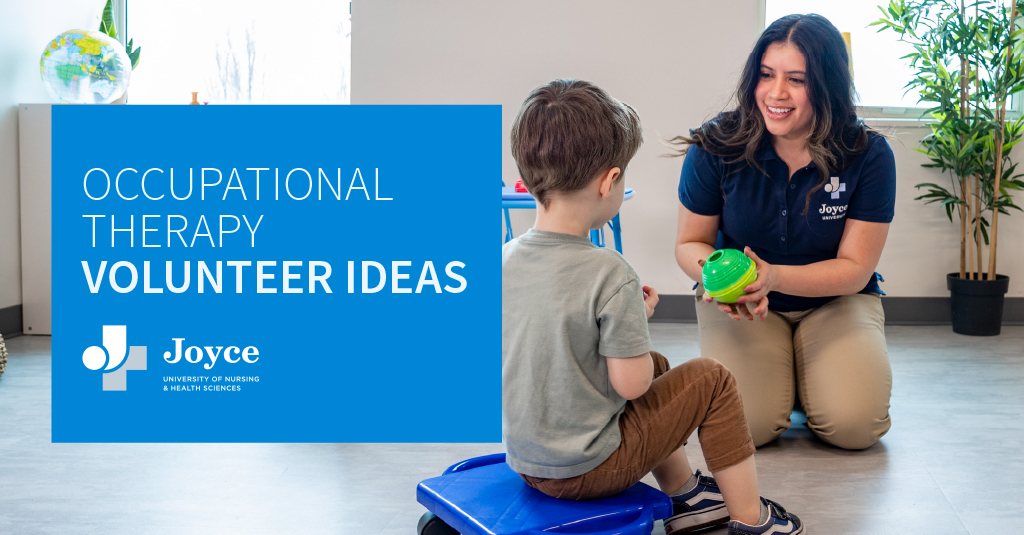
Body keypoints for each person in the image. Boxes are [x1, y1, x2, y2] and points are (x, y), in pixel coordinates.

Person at [503, 79, 803, 534]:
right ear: (610, 182)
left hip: (527, 462)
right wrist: (631, 323)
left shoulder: (501, 259)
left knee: (662, 364)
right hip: (589, 470)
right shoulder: (609, 271)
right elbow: (633, 385)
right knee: (711, 379)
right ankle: (750, 520)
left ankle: (688, 497)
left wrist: (621, 328)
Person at [673, 14, 896, 450]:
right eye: (766, 75)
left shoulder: (868, 154)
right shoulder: (715, 144)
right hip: (743, 305)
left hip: (836, 301)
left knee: (855, 427)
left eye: (797, 79)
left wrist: (773, 277)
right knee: (748, 428)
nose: (776, 93)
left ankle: (807, 378)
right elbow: (688, 244)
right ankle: (792, 378)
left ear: (828, 85)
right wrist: (725, 284)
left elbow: (855, 268)